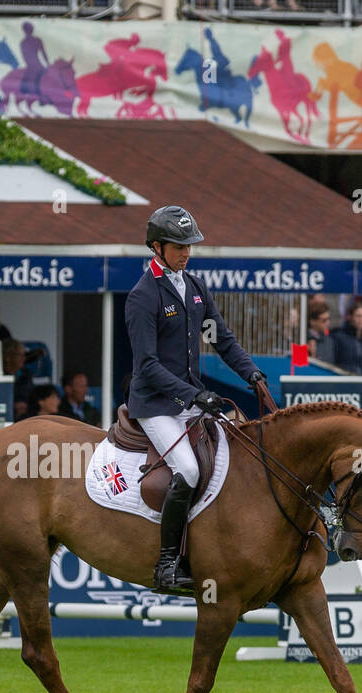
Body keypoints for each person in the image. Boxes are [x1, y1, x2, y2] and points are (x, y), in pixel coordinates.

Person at [124, 205, 264, 591]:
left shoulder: (195, 287)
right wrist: (195, 395)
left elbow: (221, 339)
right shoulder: (143, 296)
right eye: (178, 245)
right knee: (187, 470)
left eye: (190, 245)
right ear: (157, 246)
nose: (186, 252)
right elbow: (148, 365)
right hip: (155, 406)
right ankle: (167, 564)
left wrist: (251, 373)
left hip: (188, 404)